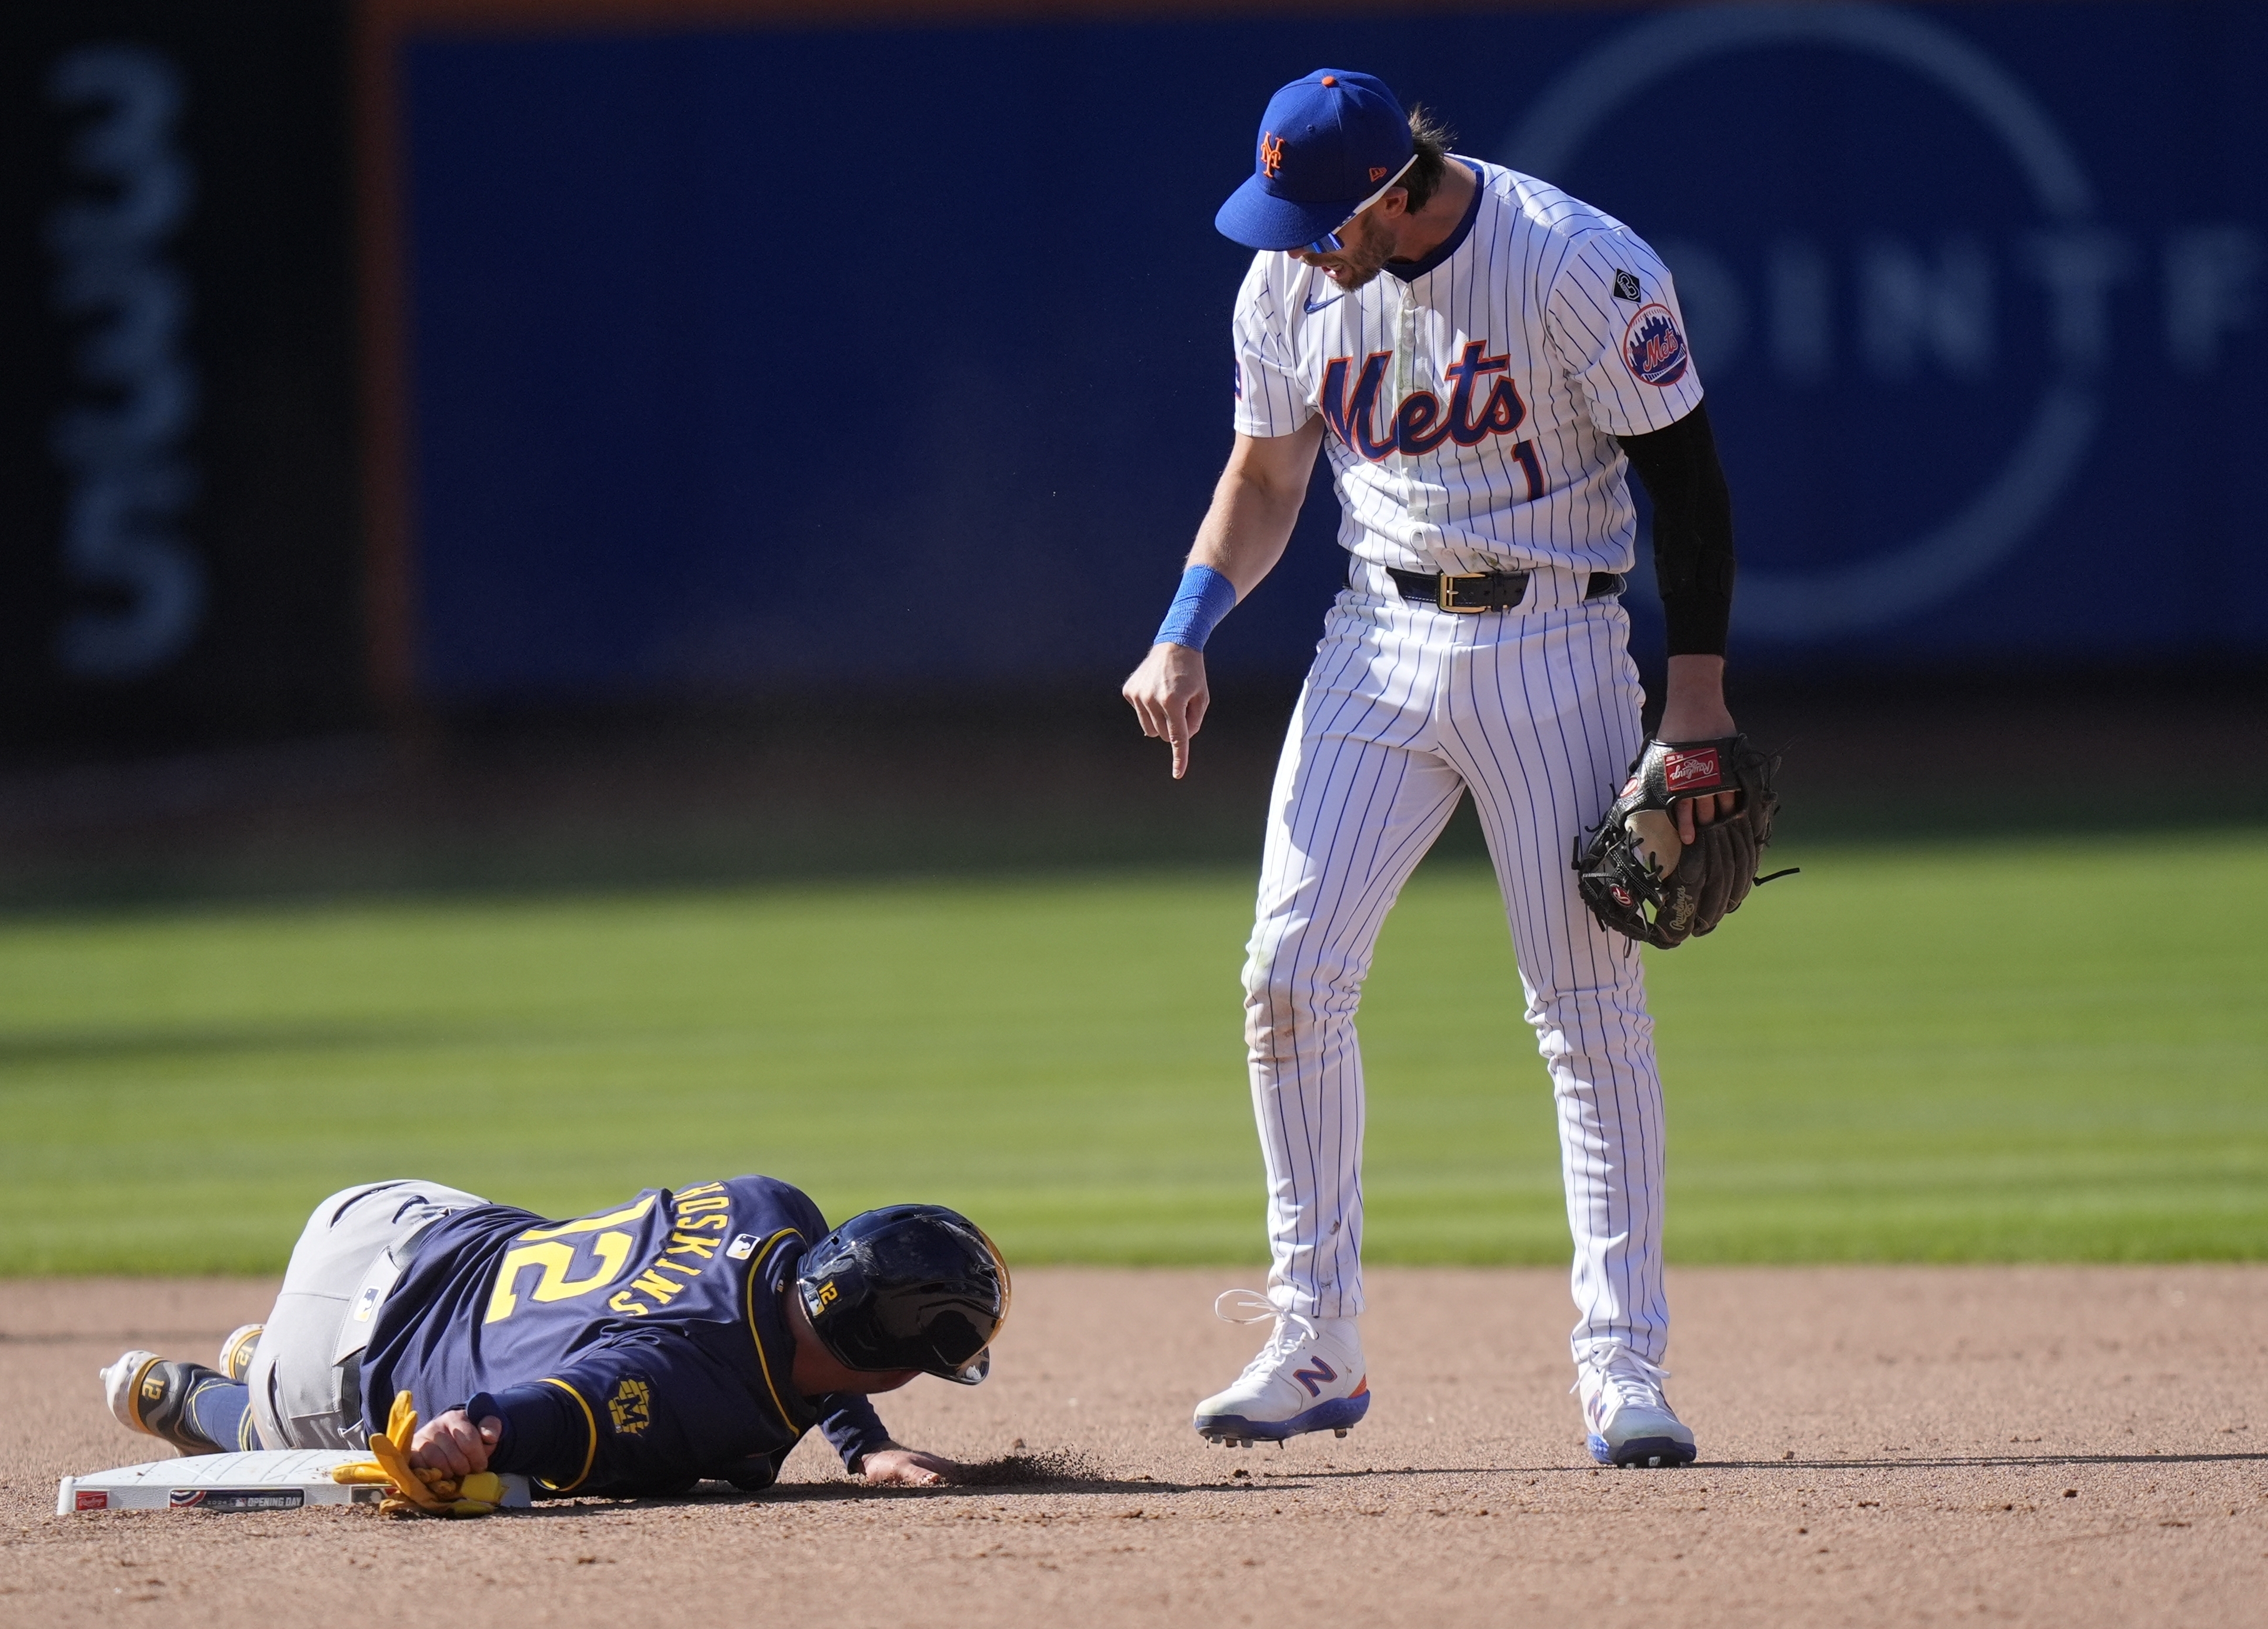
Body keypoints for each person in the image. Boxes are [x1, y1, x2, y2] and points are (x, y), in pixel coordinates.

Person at [1122, 69, 1744, 1468]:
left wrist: (1691, 699)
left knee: (1584, 1007)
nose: (1291, 242)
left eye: (1316, 216)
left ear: (1398, 189)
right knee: (1286, 971)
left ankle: (1622, 1366)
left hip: (1556, 644)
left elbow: (1688, 484)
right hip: (1373, 638)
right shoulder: (1286, 283)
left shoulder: (1573, 263)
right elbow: (1267, 475)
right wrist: (1183, 631)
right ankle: (1312, 1336)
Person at [99, 1175, 1006, 1495]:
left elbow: (806, 1329)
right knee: (306, 1440)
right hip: (335, 1369)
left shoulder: (775, 1206)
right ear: (890, 1370)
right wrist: (477, 1431)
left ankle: (261, 1359)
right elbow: (576, 1408)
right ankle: (204, 1396)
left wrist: (863, 1444)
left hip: (400, 1215)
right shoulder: (691, 1389)